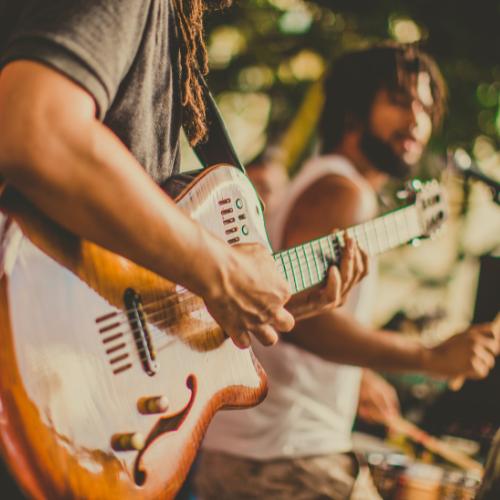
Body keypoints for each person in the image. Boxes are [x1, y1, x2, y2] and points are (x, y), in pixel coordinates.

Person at [0, 0, 367, 495]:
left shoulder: (171, 25)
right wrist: (223, 272)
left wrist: (240, 300)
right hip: (30, 356)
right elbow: (36, 126)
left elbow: (130, 254)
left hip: (72, 386)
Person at [195, 43, 500, 499]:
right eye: (399, 101)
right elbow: (299, 323)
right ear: (354, 109)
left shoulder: (324, 181)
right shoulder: (343, 189)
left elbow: (299, 312)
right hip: (285, 456)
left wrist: (357, 377)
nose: (416, 120)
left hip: (261, 450)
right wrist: (429, 356)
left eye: (424, 106)